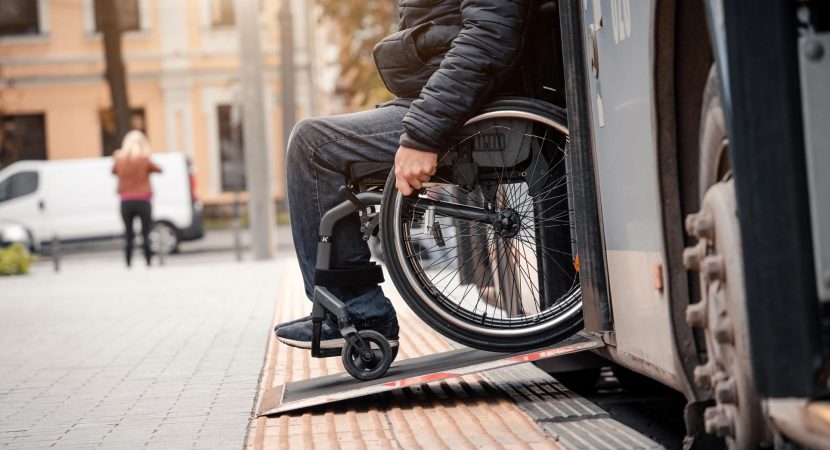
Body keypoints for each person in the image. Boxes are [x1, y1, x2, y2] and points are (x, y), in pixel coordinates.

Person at [275, 0, 534, 350]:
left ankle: (355, 312)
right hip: (449, 103)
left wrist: (422, 134)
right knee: (315, 141)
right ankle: (354, 307)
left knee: (313, 146)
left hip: (472, 112)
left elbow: (490, 35)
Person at [112, 130, 162, 268]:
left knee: (128, 233)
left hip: (126, 201)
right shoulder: (144, 159)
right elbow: (159, 170)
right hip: (143, 200)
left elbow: (113, 171)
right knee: (146, 232)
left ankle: (128, 262)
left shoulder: (120, 158)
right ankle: (148, 261)